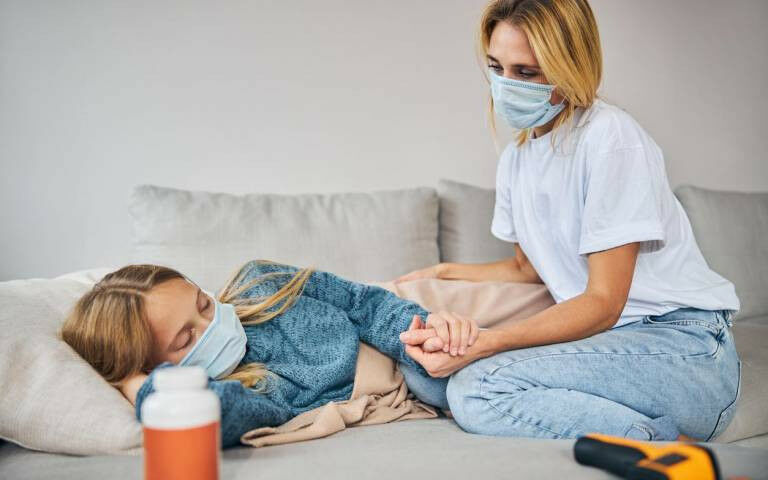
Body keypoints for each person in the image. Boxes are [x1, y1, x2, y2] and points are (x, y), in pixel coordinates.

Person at [395, 0, 741, 442]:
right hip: (607, 345)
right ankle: (592, 408)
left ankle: (669, 451)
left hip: (682, 348)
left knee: (477, 388)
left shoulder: (610, 138)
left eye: (527, 73)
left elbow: (603, 302)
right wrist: (443, 273)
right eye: (496, 67)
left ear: (569, 67)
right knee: (423, 371)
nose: (505, 85)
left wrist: (488, 341)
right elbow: (527, 269)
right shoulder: (517, 159)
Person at [59, 259, 480, 449]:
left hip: (419, 318)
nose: (212, 325)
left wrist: (422, 334)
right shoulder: (249, 391)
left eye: (203, 305)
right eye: (186, 339)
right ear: (160, 369)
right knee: (466, 394)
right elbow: (208, 416)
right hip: (412, 382)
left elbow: (362, 303)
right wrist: (138, 384)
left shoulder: (261, 282)